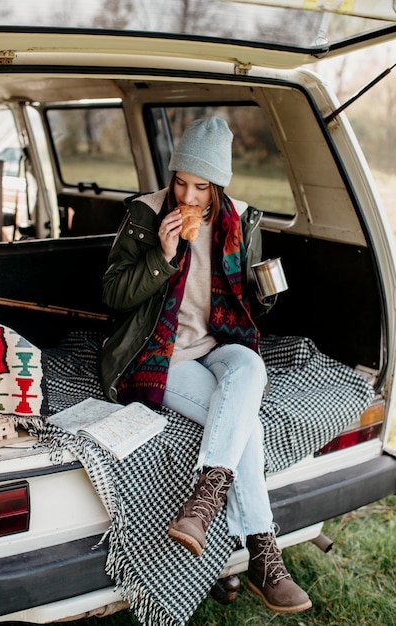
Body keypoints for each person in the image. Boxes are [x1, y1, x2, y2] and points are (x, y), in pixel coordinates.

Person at [99, 116, 312, 614]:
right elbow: (112, 294)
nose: (187, 197)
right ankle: (261, 551)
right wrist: (163, 254)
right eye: (180, 182)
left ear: (218, 185)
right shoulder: (144, 214)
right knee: (250, 430)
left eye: (200, 187)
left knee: (250, 370)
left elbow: (249, 311)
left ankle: (206, 503)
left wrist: (264, 292)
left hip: (220, 343)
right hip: (159, 350)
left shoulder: (240, 218)